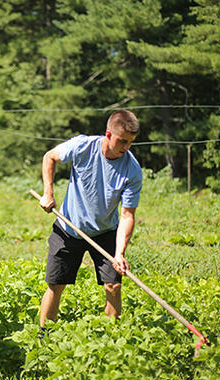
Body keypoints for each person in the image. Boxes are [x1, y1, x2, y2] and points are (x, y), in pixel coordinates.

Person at [37, 109, 142, 328]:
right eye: (122, 141)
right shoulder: (83, 146)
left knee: (113, 286)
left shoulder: (132, 170)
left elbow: (127, 214)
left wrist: (119, 253)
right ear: (109, 134)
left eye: (130, 142)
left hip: (105, 232)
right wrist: (48, 193)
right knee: (56, 285)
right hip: (68, 228)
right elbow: (50, 157)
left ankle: (112, 339)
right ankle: (43, 337)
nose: (126, 148)